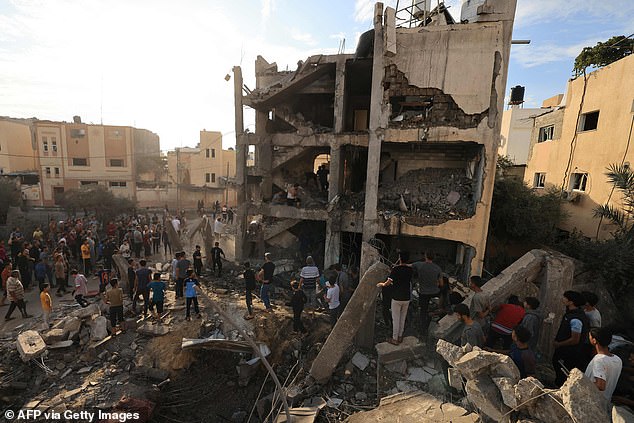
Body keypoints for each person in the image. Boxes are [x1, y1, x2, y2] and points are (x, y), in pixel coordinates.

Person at [553, 291, 590, 386]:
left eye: (565, 297)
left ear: (571, 302)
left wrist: (559, 344)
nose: (563, 299)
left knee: (563, 374)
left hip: (569, 353)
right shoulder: (571, 314)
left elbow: (575, 339)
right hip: (565, 351)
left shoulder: (576, 319)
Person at [377, 251, 413, 345]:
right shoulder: (410, 270)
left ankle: (394, 339)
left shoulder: (396, 269)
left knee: (395, 319)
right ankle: (400, 337)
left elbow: (387, 283)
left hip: (397, 297)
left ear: (400, 258)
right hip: (407, 297)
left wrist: (381, 284)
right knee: (402, 317)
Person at [585, 327, 623, 402]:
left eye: (590, 336)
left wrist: (581, 382)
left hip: (591, 401)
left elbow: (600, 386)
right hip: (605, 401)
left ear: (594, 340)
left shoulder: (599, 360)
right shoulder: (617, 359)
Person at [412, 251, 442, 337]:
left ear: (425, 256)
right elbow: (441, 284)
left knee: (423, 312)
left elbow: (408, 266)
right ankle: (431, 329)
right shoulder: (438, 268)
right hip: (435, 294)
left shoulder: (419, 265)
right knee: (432, 312)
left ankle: (422, 331)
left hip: (423, 293)